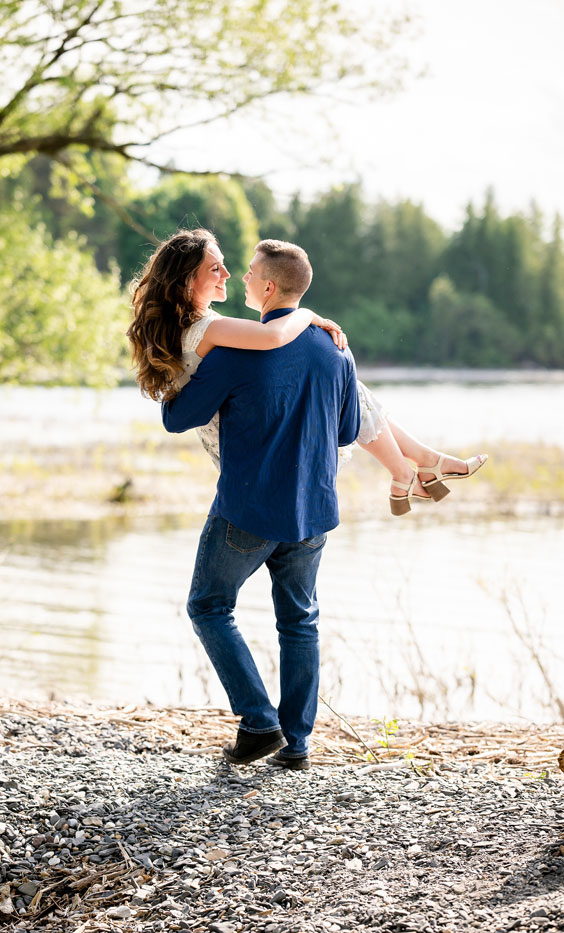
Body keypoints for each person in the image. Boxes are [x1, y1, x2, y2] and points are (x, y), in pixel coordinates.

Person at [154, 237, 359, 770]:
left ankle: (257, 718)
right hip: (312, 511)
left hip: (246, 508)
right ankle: (297, 745)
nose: (239, 280)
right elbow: (349, 430)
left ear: (268, 286)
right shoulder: (336, 347)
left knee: (208, 606)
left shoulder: (237, 349)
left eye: (246, 273)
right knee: (299, 622)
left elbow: (179, 419)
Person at [128, 229, 487, 516]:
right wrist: (307, 314)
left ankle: (414, 466)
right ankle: (414, 467)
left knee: (347, 382)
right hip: (250, 446)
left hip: (234, 435)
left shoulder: (184, 324)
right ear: (188, 282)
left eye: (223, 264)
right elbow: (273, 335)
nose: (229, 274)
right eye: (214, 268)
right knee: (342, 378)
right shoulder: (208, 327)